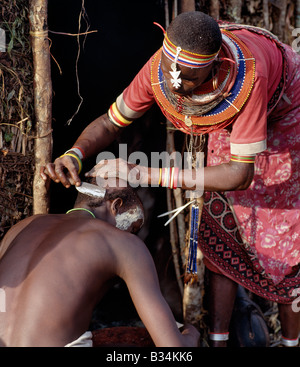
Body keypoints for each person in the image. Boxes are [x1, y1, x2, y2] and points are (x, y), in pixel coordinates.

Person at [41, 11, 300, 347]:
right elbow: (109, 123)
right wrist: (74, 153)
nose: (176, 85)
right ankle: (218, 342)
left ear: (217, 64)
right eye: (169, 72)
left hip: (286, 116)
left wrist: (145, 173)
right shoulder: (160, 69)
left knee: (284, 237)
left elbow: (240, 174)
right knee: (223, 227)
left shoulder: (249, 79)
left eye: (189, 79)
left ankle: (291, 341)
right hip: (233, 123)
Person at [0, 178, 199, 347]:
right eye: (132, 226)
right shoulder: (124, 244)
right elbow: (173, 348)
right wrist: (192, 333)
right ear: (116, 206)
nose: (130, 234)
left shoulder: (22, 227)